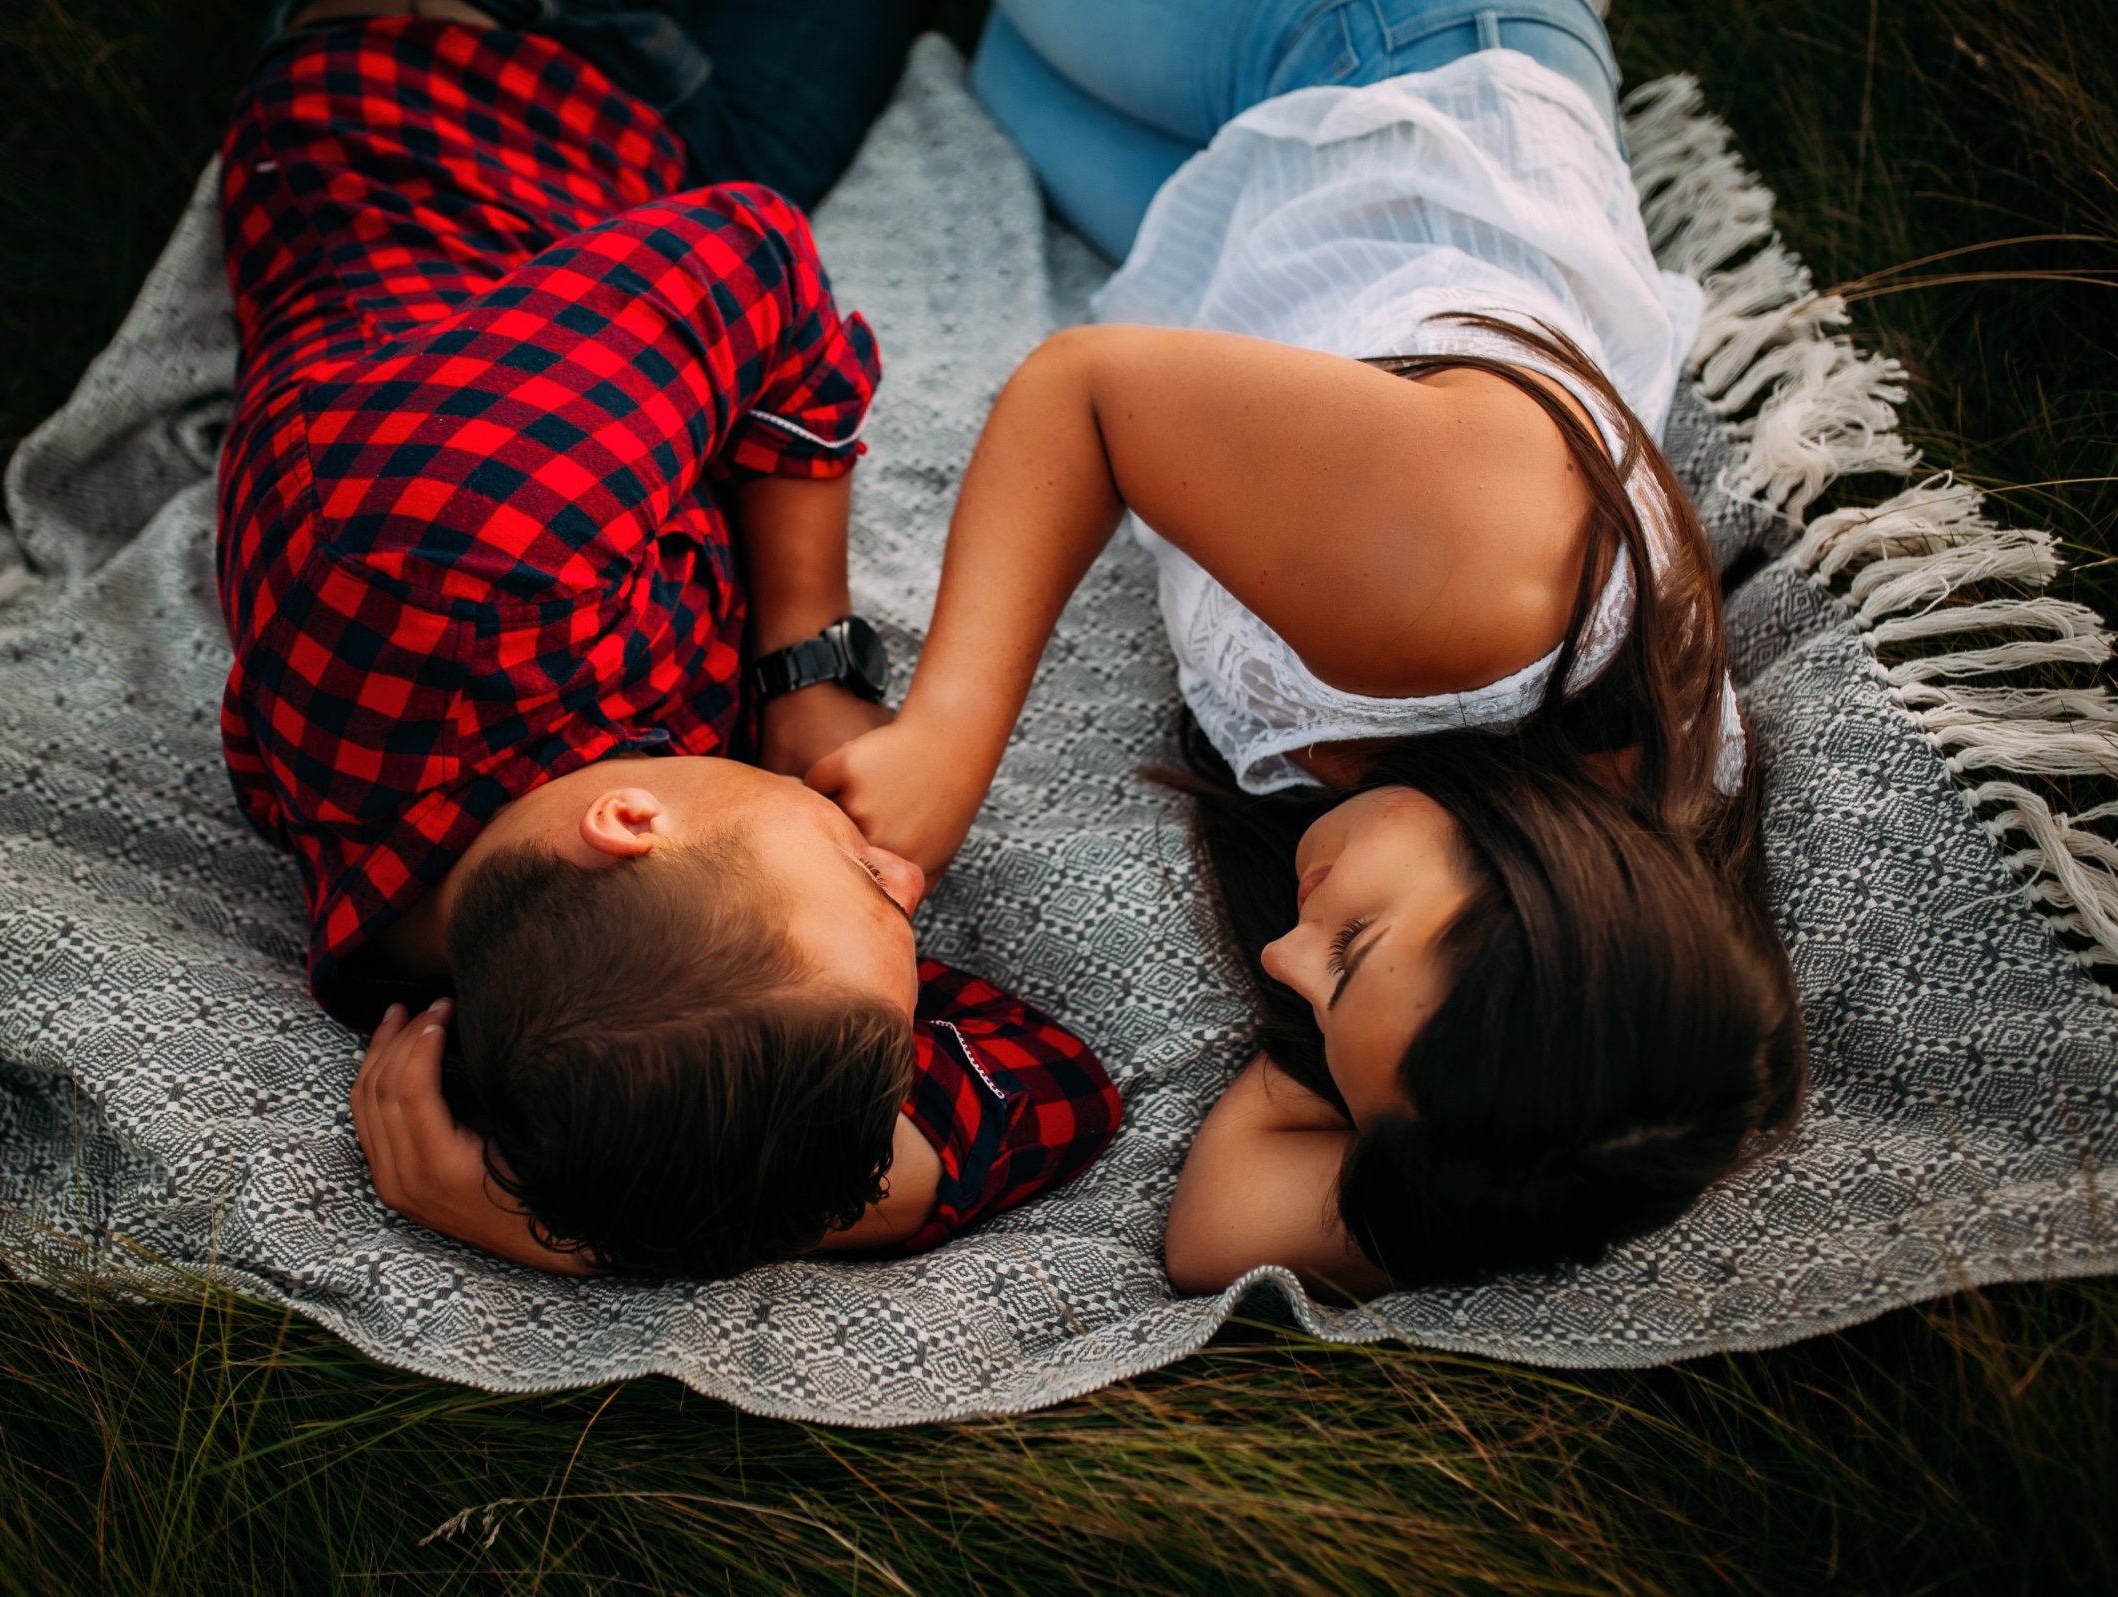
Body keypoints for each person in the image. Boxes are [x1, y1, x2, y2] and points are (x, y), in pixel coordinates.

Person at [807, 0, 1805, 1296]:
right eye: (1351, 949)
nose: (1282, 955)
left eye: (1317, 1021)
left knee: (993, 54)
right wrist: (950, 738)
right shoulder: (1483, 590)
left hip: (1254, 221)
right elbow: (1087, 394)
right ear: (1544, 872)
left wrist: (1465, 1168)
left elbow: (1219, 1230)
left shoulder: (1553, 967)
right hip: (1374, 49)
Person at [216, 0, 1121, 1281]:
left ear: (631, 822)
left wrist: (804, 660)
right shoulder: (593, 1015)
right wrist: (593, 1226)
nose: (911, 878)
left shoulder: (469, 557)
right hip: (655, 165)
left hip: (497, 66)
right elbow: (1052, 1090)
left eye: (868, 887)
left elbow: (749, 252)